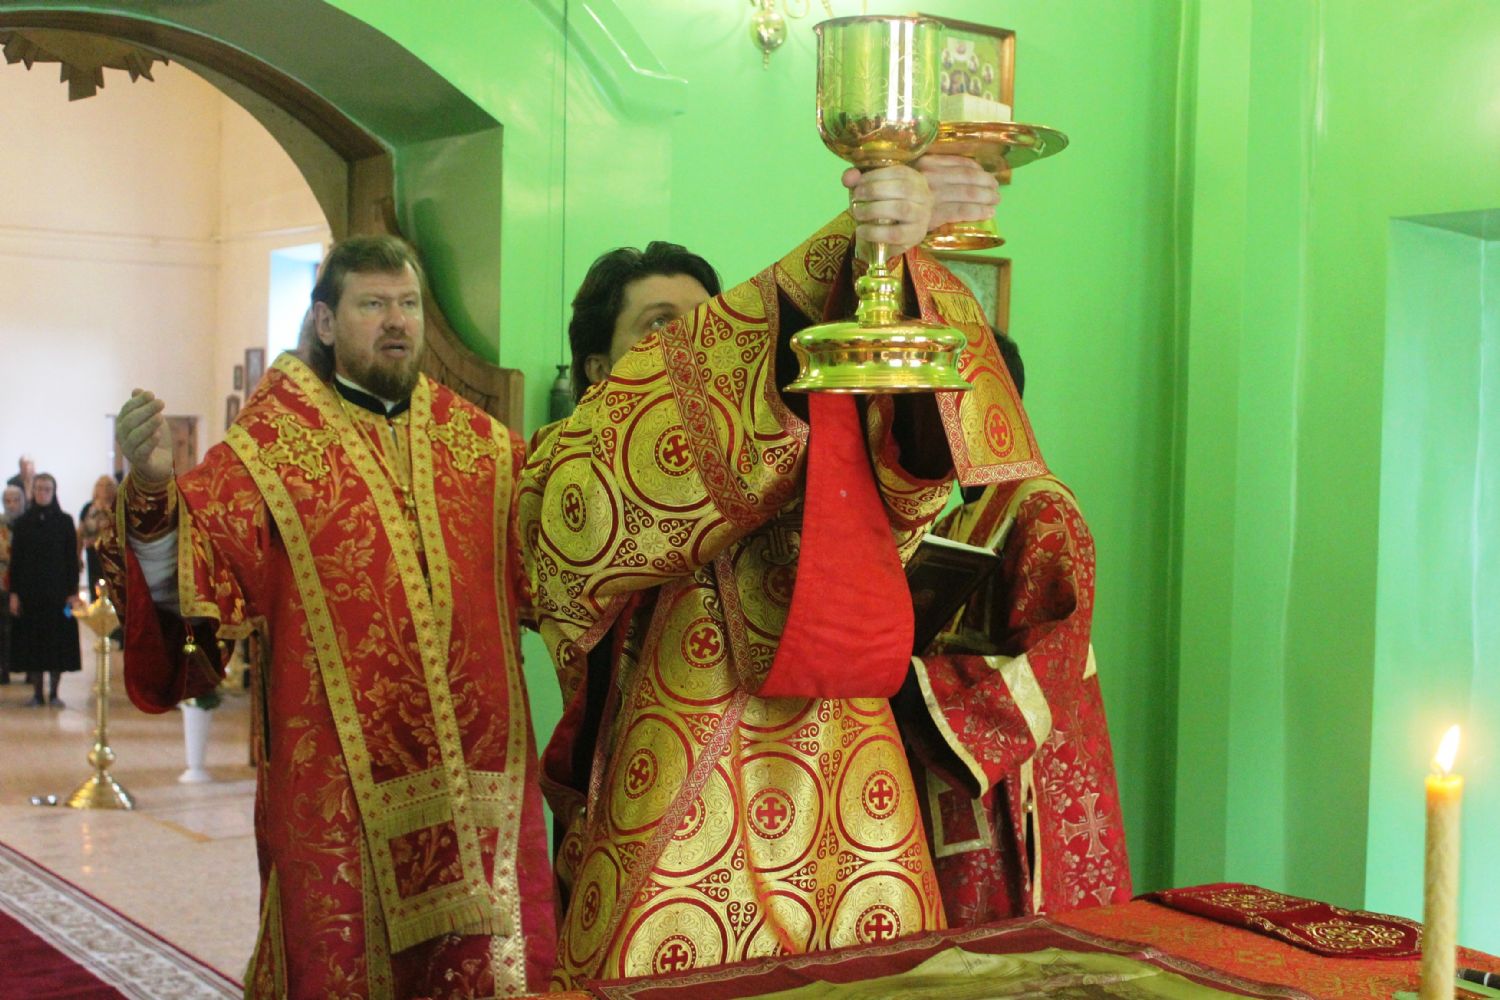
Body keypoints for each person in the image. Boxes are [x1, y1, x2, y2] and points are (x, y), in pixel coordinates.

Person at [519, 156, 1081, 986]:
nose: (698, 352)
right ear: (601, 371)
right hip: (668, 814)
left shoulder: (804, 445)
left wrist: (887, 264)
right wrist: (845, 242)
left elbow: (913, 464)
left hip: (849, 815)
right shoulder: (561, 465)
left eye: (707, 326)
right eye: (662, 330)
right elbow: (615, 508)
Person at [102, 235, 555, 998]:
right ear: (323, 321)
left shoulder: (483, 448)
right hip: (335, 800)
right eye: (373, 304)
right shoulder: (270, 450)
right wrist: (152, 493)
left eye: (408, 304)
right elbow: (196, 579)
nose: (397, 321)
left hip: (478, 794)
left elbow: (563, 560)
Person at [896, 332, 1133, 924]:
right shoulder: (955, 518)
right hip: (959, 771)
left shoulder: (1043, 507)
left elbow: (1053, 656)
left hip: (1022, 780)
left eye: (930, 404)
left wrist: (918, 685)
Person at [8, 473, 82, 707]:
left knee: (57, 643)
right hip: (30, 594)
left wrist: (73, 591)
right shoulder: (23, 523)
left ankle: (55, 693)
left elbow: (71, 559)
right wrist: (14, 593)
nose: (42, 493)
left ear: (53, 491)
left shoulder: (65, 522)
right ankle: (38, 693)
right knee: (33, 643)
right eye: (39, 489)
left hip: (58, 593)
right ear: (33, 492)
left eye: (47, 489)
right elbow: (16, 561)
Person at [78, 475, 118, 599]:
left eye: (109, 485)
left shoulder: (118, 506)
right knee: (96, 592)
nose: (105, 489)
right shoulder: (88, 508)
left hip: (114, 556)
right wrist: (78, 556)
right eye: (101, 485)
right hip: (94, 555)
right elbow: (80, 533)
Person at [0, 483, 24, 684]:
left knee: (25, 627)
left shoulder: (29, 523)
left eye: (16, 500)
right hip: (3, 582)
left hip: (26, 584)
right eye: (7, 501)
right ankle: (4, 669)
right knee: (4, 628)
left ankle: (29, 669)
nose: (12, 505)